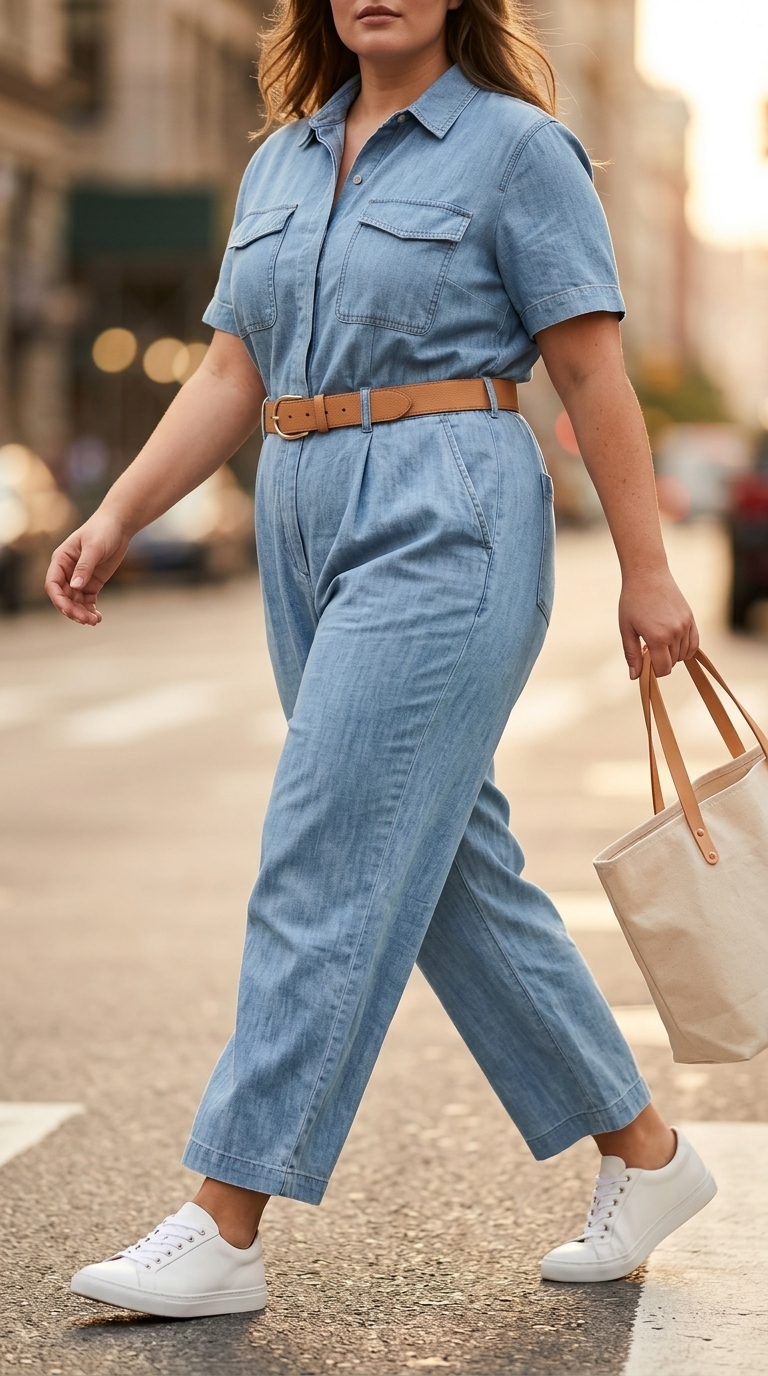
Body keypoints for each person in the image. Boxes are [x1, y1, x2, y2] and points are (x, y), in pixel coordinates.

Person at [48, 0, 715, 1320]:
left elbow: (591, 377)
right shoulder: (284, 159)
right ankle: (645, 1154)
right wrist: (121, 511)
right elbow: (232, 371)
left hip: (445, 509)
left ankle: (226, 1214)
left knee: (327, 846)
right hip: (300, 506)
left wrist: (647, 570)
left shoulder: (520, 151)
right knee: (448, 862)